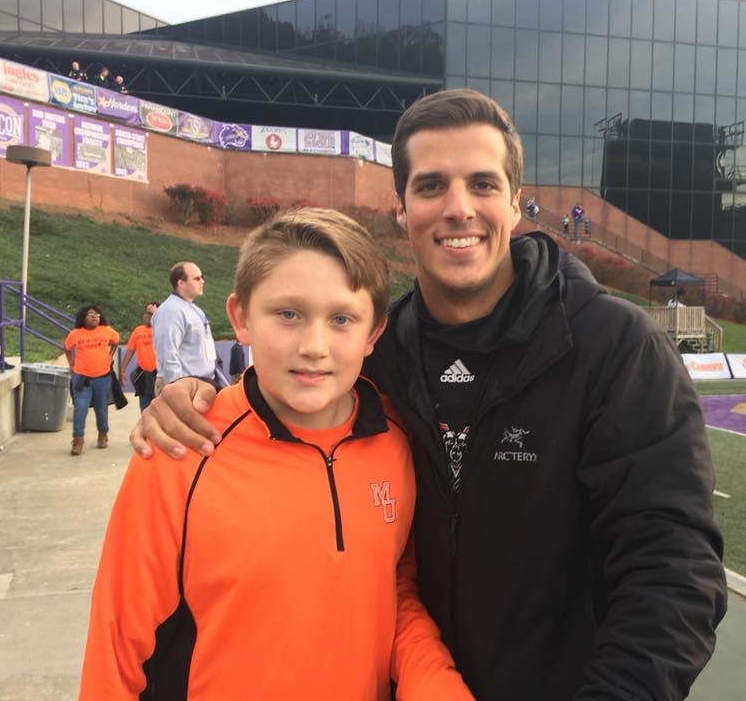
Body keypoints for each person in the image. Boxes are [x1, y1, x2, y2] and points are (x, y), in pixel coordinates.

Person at [131, 89, 727, 699]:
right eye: (432, 185)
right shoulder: (372, 357)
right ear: (401, 208)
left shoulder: (616, 347)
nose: (458, 208)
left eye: (483, 184)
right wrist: (193, 398)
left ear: (516, 204)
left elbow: (673, 571)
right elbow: (285, 428)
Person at [80, 209, 472, 699]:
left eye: (342, 319)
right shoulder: (182, 449)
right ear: (241, 318)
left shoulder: (396, 438)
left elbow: (391, 593)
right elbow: (117, 647)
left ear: (373, 333)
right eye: (288, 314)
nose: (314, 346)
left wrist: (437, 687)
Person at [151, 261, 218, 393]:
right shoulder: (170, 311)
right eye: (197, 278)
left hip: (201, 383)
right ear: (181, 283)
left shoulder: (193, 308)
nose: (202, 281)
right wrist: (179, 388)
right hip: (184, 387)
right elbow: (167, 353)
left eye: (202, 277)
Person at [64, 305, 119, 456]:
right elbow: (67, 348)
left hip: (102, 378)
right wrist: (71, 364)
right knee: (80, 409)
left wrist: (110, 356)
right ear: (83, 317)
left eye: (97, 315)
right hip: (82, 379)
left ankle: (103, 434)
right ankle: (78, 440)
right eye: (91, 314)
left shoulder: (106, 330)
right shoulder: (75, 334)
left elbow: (116, 341)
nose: (95, 317)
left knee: (101, 409)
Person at [119, 302, 157, 411]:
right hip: (143, 374)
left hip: (159, 375)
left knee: (160, 407)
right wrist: (122, 370)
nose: (148, 316)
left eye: (151, 314)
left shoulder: (164, 329)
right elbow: (130, 351)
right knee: (144, 408)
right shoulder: (138, 330)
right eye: (146, 313)